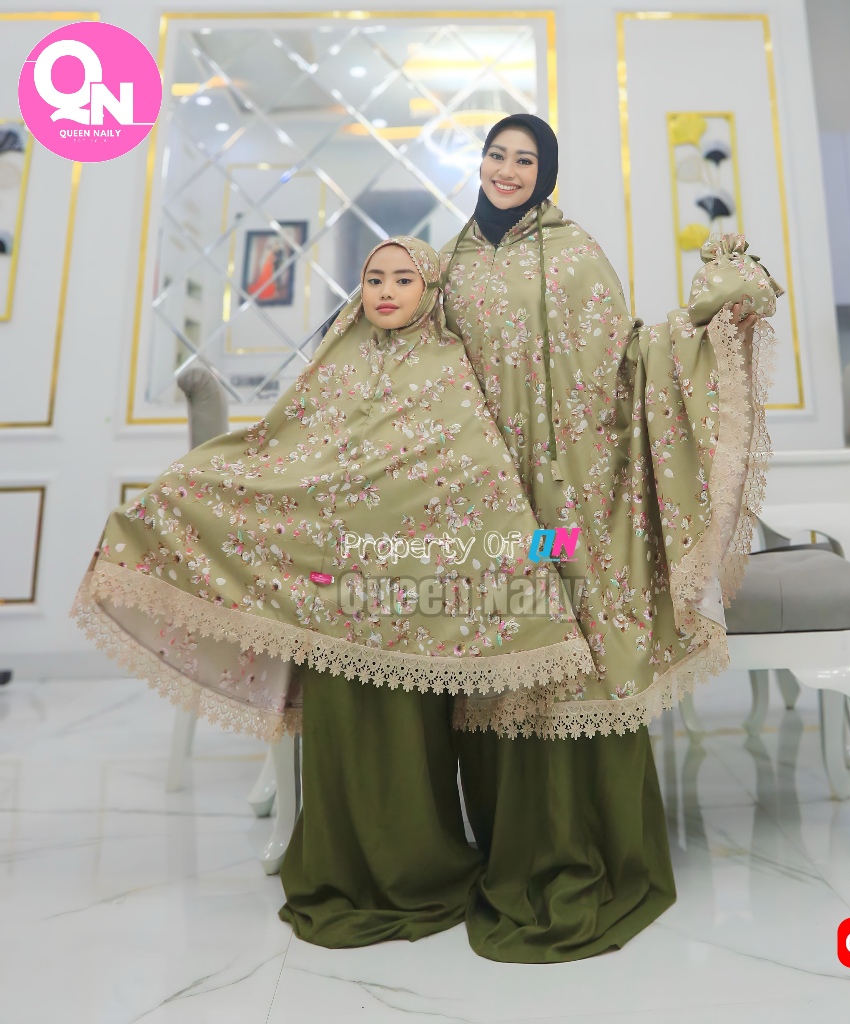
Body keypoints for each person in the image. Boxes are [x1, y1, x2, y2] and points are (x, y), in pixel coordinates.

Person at [72, 235, 597, 945]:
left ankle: (422, 858)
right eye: (374, 278)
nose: (386, 290)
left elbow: (476, 471)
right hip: (335, 576)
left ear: (429, 289)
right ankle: (346, 858)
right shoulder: (336, 362)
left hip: (419, 585)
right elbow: (286, 447)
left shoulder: (449, 365)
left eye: (403, 279)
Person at [440, 114, 779, 963]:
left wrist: (705, 328)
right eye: (496, 155)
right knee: (498, 649)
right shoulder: (448, 263)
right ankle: (504, 848)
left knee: (575, 646)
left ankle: (585, 849)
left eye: (525, 159)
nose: (507, 169)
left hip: (564, 499)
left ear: (545, 172)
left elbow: (625, 360)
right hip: (479, 496)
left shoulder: (575, 253)